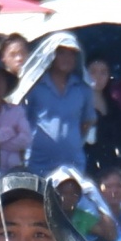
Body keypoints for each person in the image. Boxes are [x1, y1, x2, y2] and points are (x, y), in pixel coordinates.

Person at [21, 33, 97, 177]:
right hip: (38, 162)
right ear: (51, 55)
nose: (66, 58)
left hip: (73, 163)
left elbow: (86, 122)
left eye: (71, 54)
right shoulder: (34, 87)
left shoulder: (83, 89)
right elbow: (22, 119)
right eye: (61, 53)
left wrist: (69, 142)